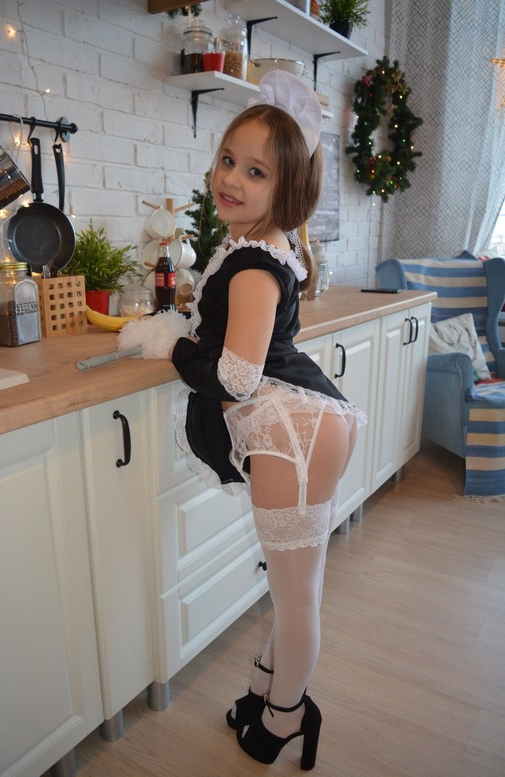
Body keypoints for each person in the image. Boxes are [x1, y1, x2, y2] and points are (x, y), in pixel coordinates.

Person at [170, 70, 366, 770]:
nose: (231, 179)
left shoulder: (254, 263)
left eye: (255, 171)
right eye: (228, 160)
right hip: (301, 423)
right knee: (293, 590)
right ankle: (266, 690)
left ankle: (288, 714)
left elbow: (235, 377)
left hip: (291, 430)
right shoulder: (264, 245)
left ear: (287, 188)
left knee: (296, 595)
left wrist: (176, 350)